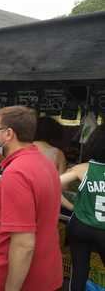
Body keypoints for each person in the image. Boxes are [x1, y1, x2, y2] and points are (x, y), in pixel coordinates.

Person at [0, 106, 63, 291]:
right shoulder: (46, 164)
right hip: (47, 275)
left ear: (8, 134)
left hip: (8, 279)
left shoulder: (16, 174)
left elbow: (23, 244)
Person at [60, 124, 105, 291]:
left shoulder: (82, 169)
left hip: (80, 226)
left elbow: (52, 185)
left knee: (79, 271)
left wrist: (72, 207)